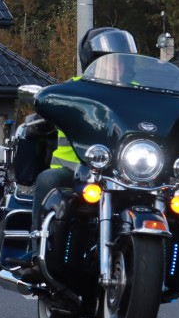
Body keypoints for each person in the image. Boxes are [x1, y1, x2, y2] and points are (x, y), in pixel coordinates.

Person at [22, 28, 138, 282]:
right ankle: (35, 256)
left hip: (126, 172)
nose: (116, 66)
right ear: (92, 62)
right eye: (109, 60)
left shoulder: (139, 92)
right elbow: (47, 108)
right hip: (75, 169)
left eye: (121, 60)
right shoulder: (72, 89)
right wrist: (43, 109)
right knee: (47, 180)